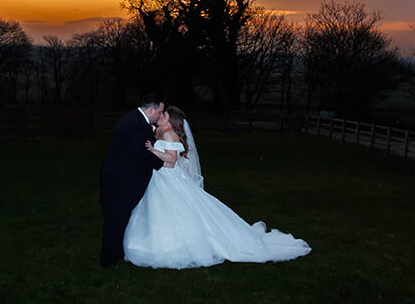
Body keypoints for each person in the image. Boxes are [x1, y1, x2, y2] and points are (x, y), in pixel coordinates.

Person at [123, 106, 311, 269]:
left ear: (172, 122)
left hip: (167, 177)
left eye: (164, 116)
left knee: (171, 212)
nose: (160, 116)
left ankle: (173, 246)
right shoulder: (160, 132)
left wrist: (154, 151)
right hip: (160, 178)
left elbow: (171, 161)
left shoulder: (170, 134)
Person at [100, 94, 165, 267]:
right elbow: (141, 152)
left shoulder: (137, 120)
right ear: (151, 110)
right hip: (121, 179)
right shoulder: (135, 123)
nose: (161, 115)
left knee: (121, 216)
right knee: (116, 217)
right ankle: (109, 259)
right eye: (160, 112)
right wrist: (164, 164)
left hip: (123, 176)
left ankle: (117, 252)